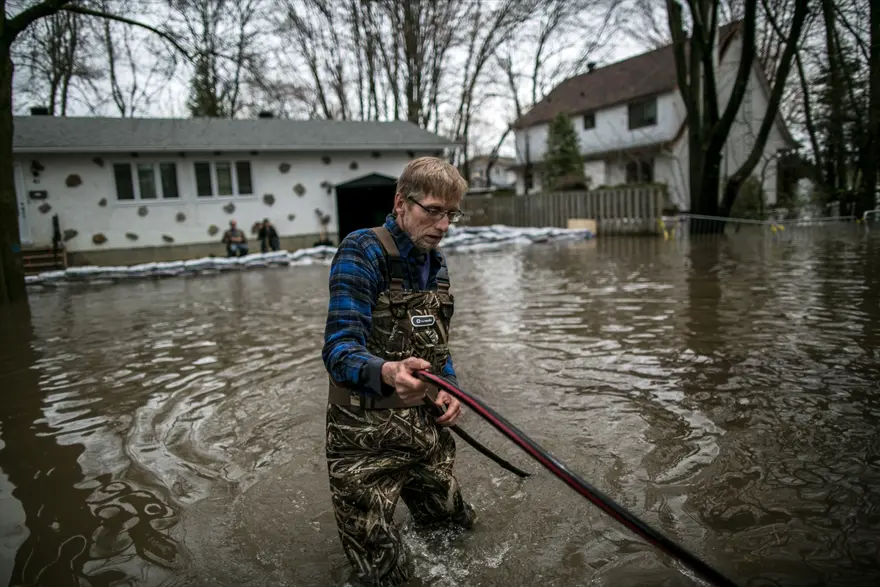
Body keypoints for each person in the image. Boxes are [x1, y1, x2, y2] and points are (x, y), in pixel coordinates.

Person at [322, 157, 475, 586]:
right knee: (388, 577)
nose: (443, 225)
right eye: (433, 210)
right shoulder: (362, 250)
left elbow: (436, 350)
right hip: (363, 441)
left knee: (457, 530)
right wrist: (388, 371)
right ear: (401, 204)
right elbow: (338, 349)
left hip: (425, 430)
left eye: (451, 214)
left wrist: (452, 389)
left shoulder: (436, 262)